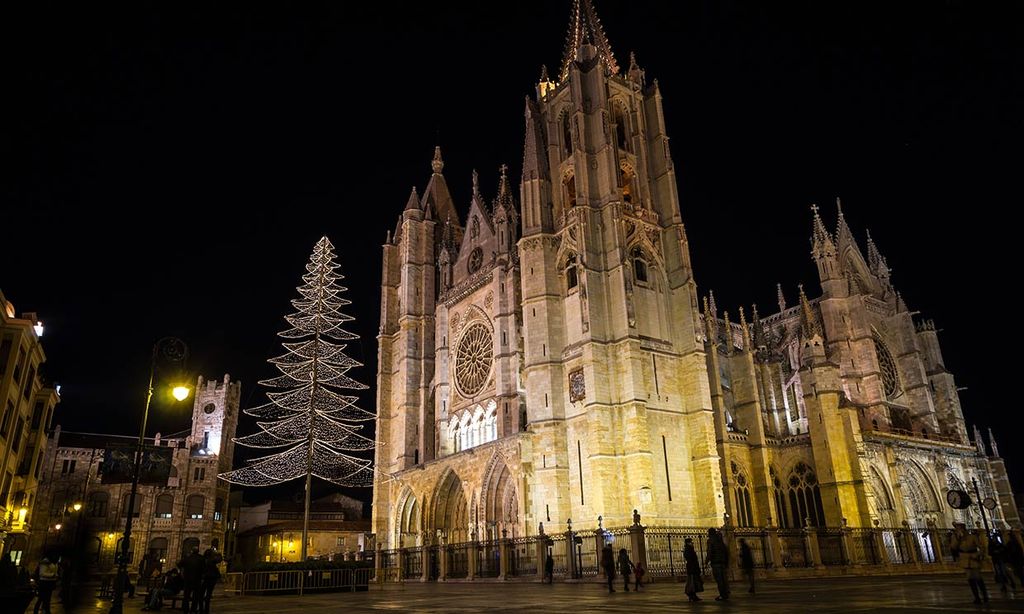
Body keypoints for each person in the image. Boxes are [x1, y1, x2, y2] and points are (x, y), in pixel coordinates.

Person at [953, 523, 988, 604]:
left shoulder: (972, 537)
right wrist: (957, 539)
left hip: (974, 559)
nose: (959, 531)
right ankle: (977, 597)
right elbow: (953, 547)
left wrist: (978, 555)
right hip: (965, 560)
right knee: (970, 579)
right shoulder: (957, 539)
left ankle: (985, 595)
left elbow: (981, 547)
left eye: (960, 529)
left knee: (978, 578)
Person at [705, 528, 730, 601]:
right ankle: (726, 593)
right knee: (724, 579)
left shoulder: (710, 540)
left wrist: (706, 561)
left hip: (716, 562)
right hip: (722, 562)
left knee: (719, 580)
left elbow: (710, 552)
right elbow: (725, 551)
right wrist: (726, 562)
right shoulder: (720, 540)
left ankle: (722, 595)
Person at [179, 547, 205, 613]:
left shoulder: (187, 558)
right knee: (195, 596)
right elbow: (204, 568)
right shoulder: (201, 558)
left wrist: (183, 571)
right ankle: (193, 609)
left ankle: (185, 609)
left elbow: (179, 564)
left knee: (186, 595)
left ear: (192, 551)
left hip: (187, 579)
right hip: (197, 579)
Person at [200, 548, 222, 614]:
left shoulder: (203, 560)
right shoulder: (212, 560)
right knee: (208, 595)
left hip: (204, 578)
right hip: (211, 579)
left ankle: (201, 609)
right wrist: (218, 553)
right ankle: (206, 609)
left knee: (201, 594)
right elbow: (220, 559)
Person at [683, 537, 703, 602]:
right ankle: (691, 594)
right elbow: (691, 559)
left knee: (693, 582)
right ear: (688, 543)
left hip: (692, 568)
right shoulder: (689, 549)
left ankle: (693, 595)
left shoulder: (689, 549)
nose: (692, 543)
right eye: (691, 542)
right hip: (692, 568)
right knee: (692, 582)